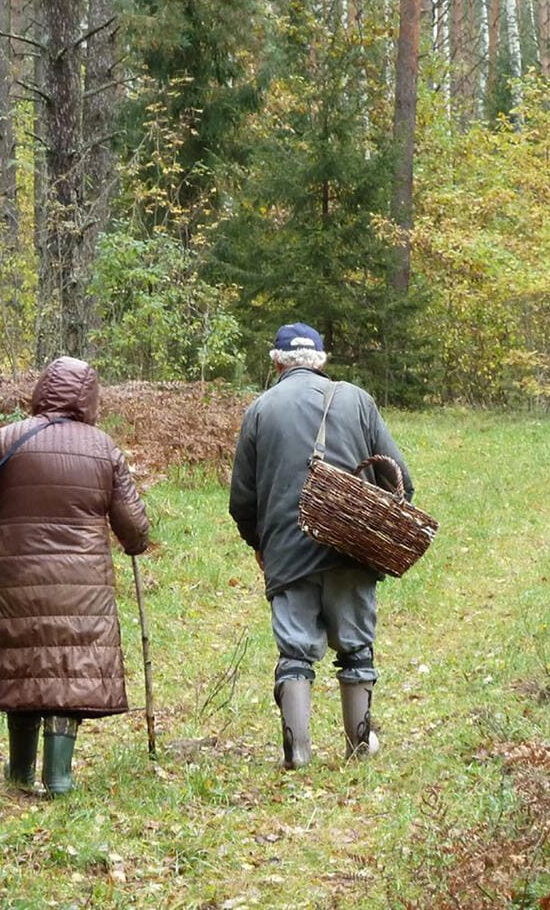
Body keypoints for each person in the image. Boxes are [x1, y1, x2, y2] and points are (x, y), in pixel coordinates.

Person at [229, 323, 414, 769]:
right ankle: (359, 744)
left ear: (276, 362)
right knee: (356, 647)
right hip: (352, 548)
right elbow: (401, 480)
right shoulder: (358, 400)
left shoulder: (259, 410)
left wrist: (263, 546)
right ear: (322, 360)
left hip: (288, 553)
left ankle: (298, 751)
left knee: (295, 651)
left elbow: (242, 501)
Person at [0, 356, 149, 795]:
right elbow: (133, 526)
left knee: (23, 666)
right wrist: (138, 542)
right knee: (69, 669)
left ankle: (18, 774)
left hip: (17, 579)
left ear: (42, 389)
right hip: (81, 588)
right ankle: (60, 778)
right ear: (89, 397)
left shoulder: (8, 438)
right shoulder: (103, 447)